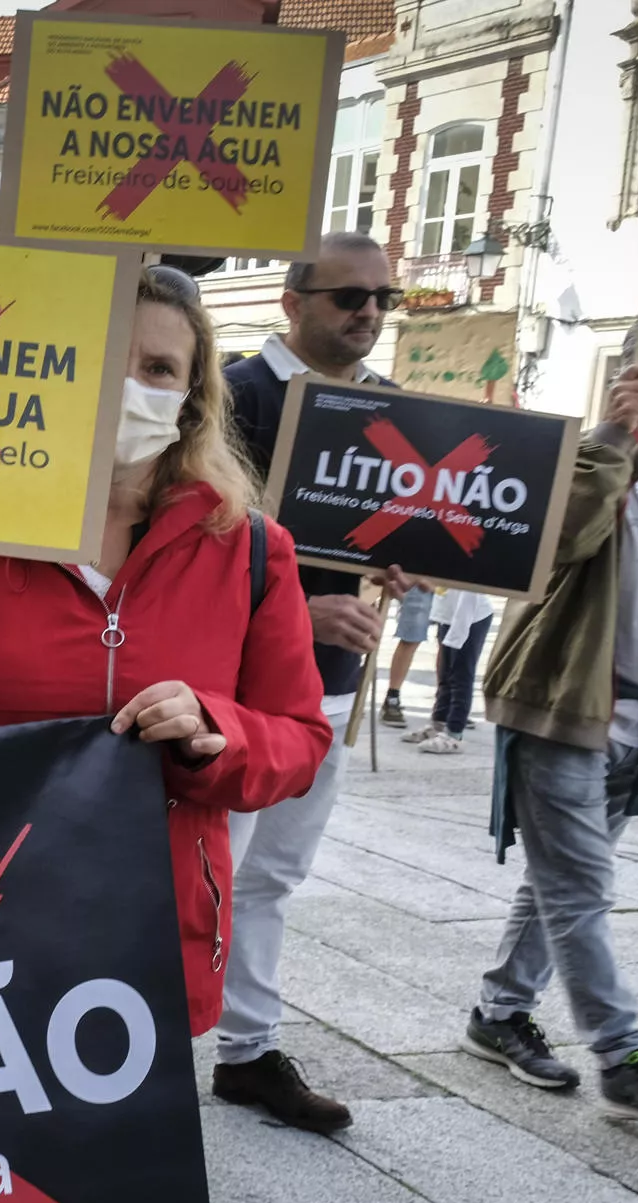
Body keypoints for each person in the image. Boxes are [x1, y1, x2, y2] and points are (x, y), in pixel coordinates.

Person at [0, 265, 331, 1037]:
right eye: (108, 361)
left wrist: (215, 732)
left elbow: (300, 739)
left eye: (157, 369)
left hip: (149, 923)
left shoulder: (250, 549)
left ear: (191, 398)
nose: (129, 388)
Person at [214, 230, 414, 1132]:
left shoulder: (393, 409)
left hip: (327, 691)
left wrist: (410, 565)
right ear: (292, 302)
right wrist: (299, 607)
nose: (369, 312)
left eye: (383, 298)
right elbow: (191, 547)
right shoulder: (227, 396)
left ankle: (247, 1051)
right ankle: (118, 1045)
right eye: (349, 296)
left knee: (272, 880)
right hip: (229, 691)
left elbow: (408, 533)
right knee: (202, 874)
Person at [465, 363, 638, 1118]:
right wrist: (617, 435)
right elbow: (557, 536)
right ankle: (623, 1052)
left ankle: (500, 1011)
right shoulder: (596, 456)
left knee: (557, 880)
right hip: (564, 705)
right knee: (580, 889)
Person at [401, 590, 492, 752]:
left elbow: (469, 598)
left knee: (460, 676)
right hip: (449, 616)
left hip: (469, 618)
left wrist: (457, 634)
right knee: (445, 675)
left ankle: (454, 733)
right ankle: (439, 724)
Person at [380, 584, 435, 727]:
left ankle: (447, 702)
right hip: (420, 577)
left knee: (449, 640)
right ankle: (393, 696)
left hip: (454, 580)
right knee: (411, 637)